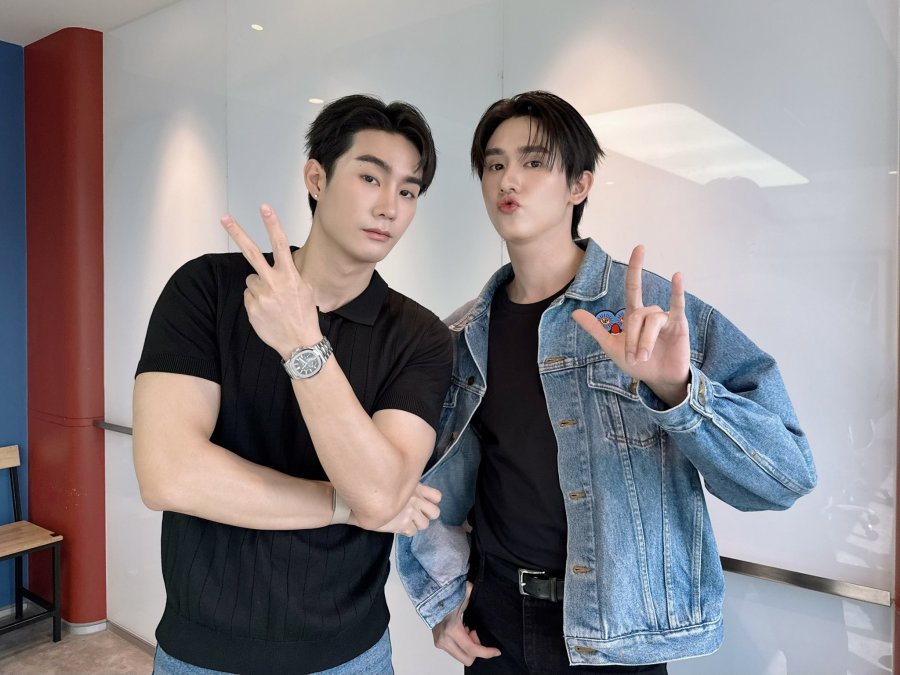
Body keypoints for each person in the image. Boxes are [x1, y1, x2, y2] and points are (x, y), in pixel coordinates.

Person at [396, 91, 817, 673]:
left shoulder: (652, 316)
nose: (508, 179)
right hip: (496, 621)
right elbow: (429, 483)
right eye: (494, 164)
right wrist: (442, 598)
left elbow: (786, 476)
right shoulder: (464, 333)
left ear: (580, 185)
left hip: (617, 634)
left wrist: (679, 392)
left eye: (533, 161)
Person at [133, 94, 452, 674]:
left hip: (350, 656)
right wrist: (344, 504)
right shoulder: (206, 288)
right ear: (317, 177)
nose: (389, 207)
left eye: (408, 191)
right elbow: (168, 475)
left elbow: (382, 495)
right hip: (200, 653)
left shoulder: (419, 336)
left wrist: (303, 344)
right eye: (370, 177)